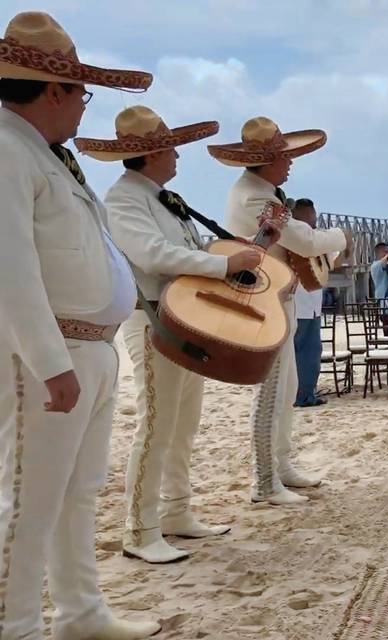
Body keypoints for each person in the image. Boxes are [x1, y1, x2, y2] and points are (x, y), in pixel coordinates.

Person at [0, 11, 161, 638]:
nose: (82, 109)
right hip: (48, 356)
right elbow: (10, 268)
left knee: (78, 493)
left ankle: (80, 612)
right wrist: (48, 361)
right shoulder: (8, 151)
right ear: (55, 91)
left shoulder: (45, 155)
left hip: (89, 349)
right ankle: (17, 627)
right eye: (81, 95)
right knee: (28, 503)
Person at [75, 106, 241, 565]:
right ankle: (140, 528)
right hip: (152, 320)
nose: (176, 158)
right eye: (170, 149)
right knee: (156, 425)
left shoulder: (163, 197)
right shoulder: (125, 198)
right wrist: (224, 264)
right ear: (150, 154)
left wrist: (227, 257)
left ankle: (175, 511)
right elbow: (153, 255)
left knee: (183, 423)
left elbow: (185, 251)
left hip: (184, 320)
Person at [213, 116, 349, 504]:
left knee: (285, 386)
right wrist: (341, 237)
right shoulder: (256, 196)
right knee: (271, 391)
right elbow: (303, 241)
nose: (289, 164)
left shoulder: (259, 192)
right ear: (266, 160)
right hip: (264, 302)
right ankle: (264, 479)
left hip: (277, 298)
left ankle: (280, 465)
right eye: (283, 158)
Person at [291, 199, 340, 408]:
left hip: (299, 303)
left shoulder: (292, 235)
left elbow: (331, 262)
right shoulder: (308, 237)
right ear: (308, 214)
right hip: (304, 303)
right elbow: (335, 262)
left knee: (297, 352)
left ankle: (299, 393)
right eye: (312, 214)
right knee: (308, 352)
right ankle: (304, 395)